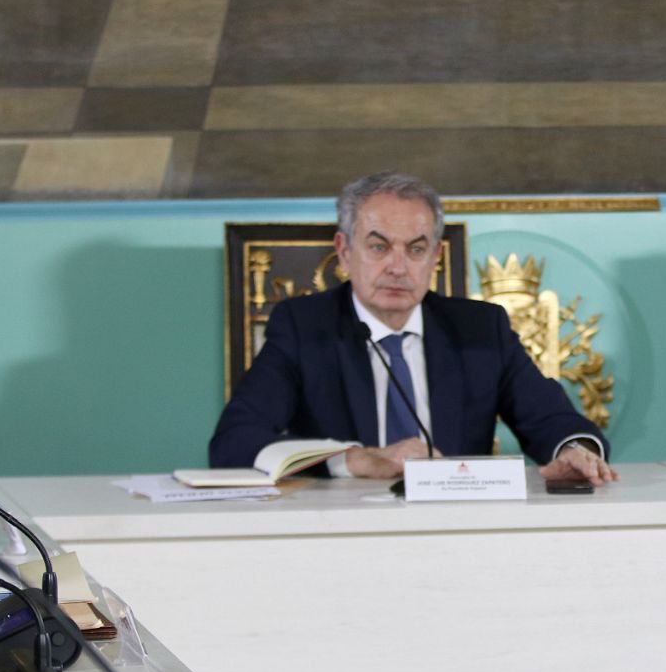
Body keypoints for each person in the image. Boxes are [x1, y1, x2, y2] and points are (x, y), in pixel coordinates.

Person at [210, 171, 617, 486]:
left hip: (455, 529)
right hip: (341, 531)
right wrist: (353, 459)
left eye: (416, 249)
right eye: (379, 246)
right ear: (344, 252)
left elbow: (551, 420)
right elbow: (234, 441)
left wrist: (574, 450)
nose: (398, 266)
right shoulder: (303, 328)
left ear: (435, 257)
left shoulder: (480, 329)